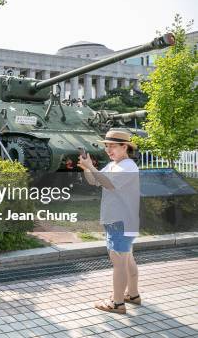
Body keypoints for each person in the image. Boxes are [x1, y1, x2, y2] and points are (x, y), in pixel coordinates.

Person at [78, 130, 141, 314]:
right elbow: (94, 181)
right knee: (127, 258)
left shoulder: (128, 166)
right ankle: (133, 295)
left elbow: (109, 184)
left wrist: (92, 167)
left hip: (120, 221)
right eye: (106, 145)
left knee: (119, 262)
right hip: (119, 220)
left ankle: (118, 303)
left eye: (112, 146)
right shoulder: (114, 165)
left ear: (125, 147)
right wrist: (87, 168)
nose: (108, 149)